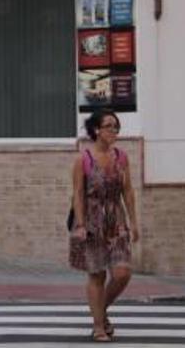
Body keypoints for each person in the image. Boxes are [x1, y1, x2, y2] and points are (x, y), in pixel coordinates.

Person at [69, 109, 139, 342]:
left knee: (123, 273)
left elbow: (127, 192)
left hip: (116, 221)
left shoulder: (122, 157)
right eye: (109, 126)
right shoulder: (83, 160)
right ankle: (99, 326)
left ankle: (101, 310)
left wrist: (133, 221)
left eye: (116, 126)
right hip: (92, 221)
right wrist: (80, 224)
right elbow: (78, 194)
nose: (114, 131)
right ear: (97, 130)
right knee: (97, 275)